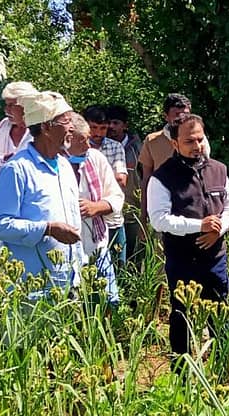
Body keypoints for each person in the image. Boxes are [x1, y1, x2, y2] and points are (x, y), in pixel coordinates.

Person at [147, 114, 229, 374]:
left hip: (215, 257)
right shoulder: (162, 177)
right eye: (189, 141)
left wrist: (219, 228)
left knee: (220, 312)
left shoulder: (217, 169)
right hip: (182, 259)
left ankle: (225, 369)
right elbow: (159, 219)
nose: (197, 146)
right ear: (175, 143)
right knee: (182, 315)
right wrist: (199, 226)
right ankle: (182, 373)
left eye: (200, 139)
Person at [0, 91, 84, 292]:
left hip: (68, 279)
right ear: (46, 127)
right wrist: (47, 229)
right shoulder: (17, 169)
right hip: (32, 286)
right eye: (66, 121)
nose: (72, 128)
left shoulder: (64, 165)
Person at [64, 112, 124, 305]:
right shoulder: (54, 163)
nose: (88, 146)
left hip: (96, 245)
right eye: (82, 141)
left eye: (88, 139)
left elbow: (117, 197)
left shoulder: (95, 158)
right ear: (67, 140)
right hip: (63, 251)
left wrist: (96, 207)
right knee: (71, 305)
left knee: (108, 303)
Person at [139, 93, 210, 223]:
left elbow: (207, 171)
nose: (182, 118)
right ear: (166, 116)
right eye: (177, 114)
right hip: (163, 208)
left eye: (186, 114)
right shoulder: (152, 141)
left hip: (195, 207)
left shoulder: (199, 139)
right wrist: (143, 216)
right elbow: (146, 179)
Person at [83, 105, 128, 267]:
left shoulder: (115, 146)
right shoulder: (78, 147)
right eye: (93, 127)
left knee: (118, 267)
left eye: (102, 128)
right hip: (87, 221)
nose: (98, 133)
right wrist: (107, 181)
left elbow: (121, 181)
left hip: (112, 219)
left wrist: (92, 185)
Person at [107, 104, 144, 263]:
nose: (111, 127)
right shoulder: (102, 147)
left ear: (125, 125)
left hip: (133, 210)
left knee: (135, 255)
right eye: (109, 122)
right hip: (111, 211)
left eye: (116, 123)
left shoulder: (138, 148)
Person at [0, 81, 38, 157]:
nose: (6, 110)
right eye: (6, 105)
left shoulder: (40, 130)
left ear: (26, 106)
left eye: (11, 105)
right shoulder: (3, 126)